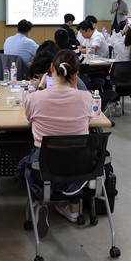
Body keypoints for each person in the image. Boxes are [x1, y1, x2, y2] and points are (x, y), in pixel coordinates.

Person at [21, 50, 93, 235]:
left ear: (51, 69)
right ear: (76, 74)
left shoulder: (34, 98)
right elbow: (88, 121)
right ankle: (73, 210)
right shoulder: (86, 98)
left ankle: (38, 203)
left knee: (24, 166)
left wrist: (40, 88)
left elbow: (29, 120)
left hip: (44, 169)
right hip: (78, 170)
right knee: (72, 151)